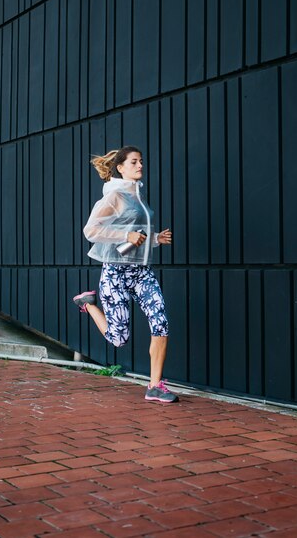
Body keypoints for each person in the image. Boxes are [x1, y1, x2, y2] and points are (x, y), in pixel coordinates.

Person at [73, 146, 178, 403]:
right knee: (118, 339)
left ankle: (155, 386)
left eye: (141, 161)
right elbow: (91, 231)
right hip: (115, 274)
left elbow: (136, 234)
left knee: (161, 322)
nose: (140, 165)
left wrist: (155, 239)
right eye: (134, 162)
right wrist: (125, 235)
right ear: (120, 168)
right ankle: (88, 305)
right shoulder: (114, 197)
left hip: (142, 273)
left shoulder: (138, 196)